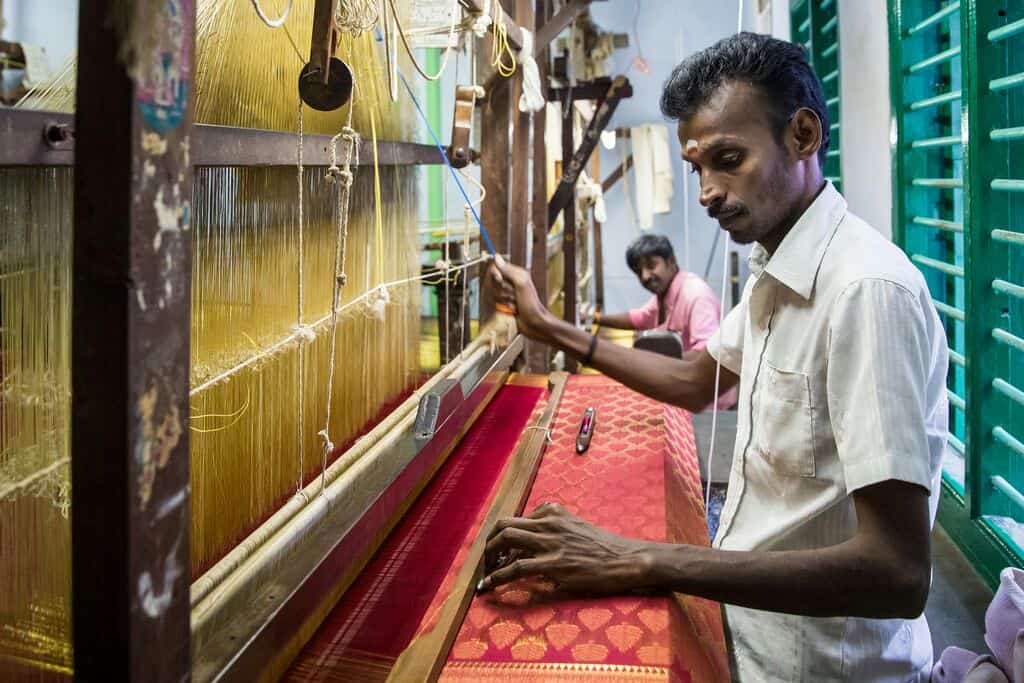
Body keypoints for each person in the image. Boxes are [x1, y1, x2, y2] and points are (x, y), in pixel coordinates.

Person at [482, 32, 948, 682]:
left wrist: (639, 557)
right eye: (697, 166)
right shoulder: (771, 270)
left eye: (728, 160)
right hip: (747, 631)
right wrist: (549, 325)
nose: (706, 192)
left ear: (803, 135)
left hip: (817, 667)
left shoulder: (864, 291)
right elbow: (695, 379)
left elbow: (897, 573)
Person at [598, 233, 737, 409]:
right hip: (685, 390)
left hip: (711, 406)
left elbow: (704, 354)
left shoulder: (696, 296)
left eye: (651, 266)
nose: (645, 276)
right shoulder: (665, 292)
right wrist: (595, 319)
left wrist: (649, 365)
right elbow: (641, 317)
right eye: (638, 271)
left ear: (671, 262)